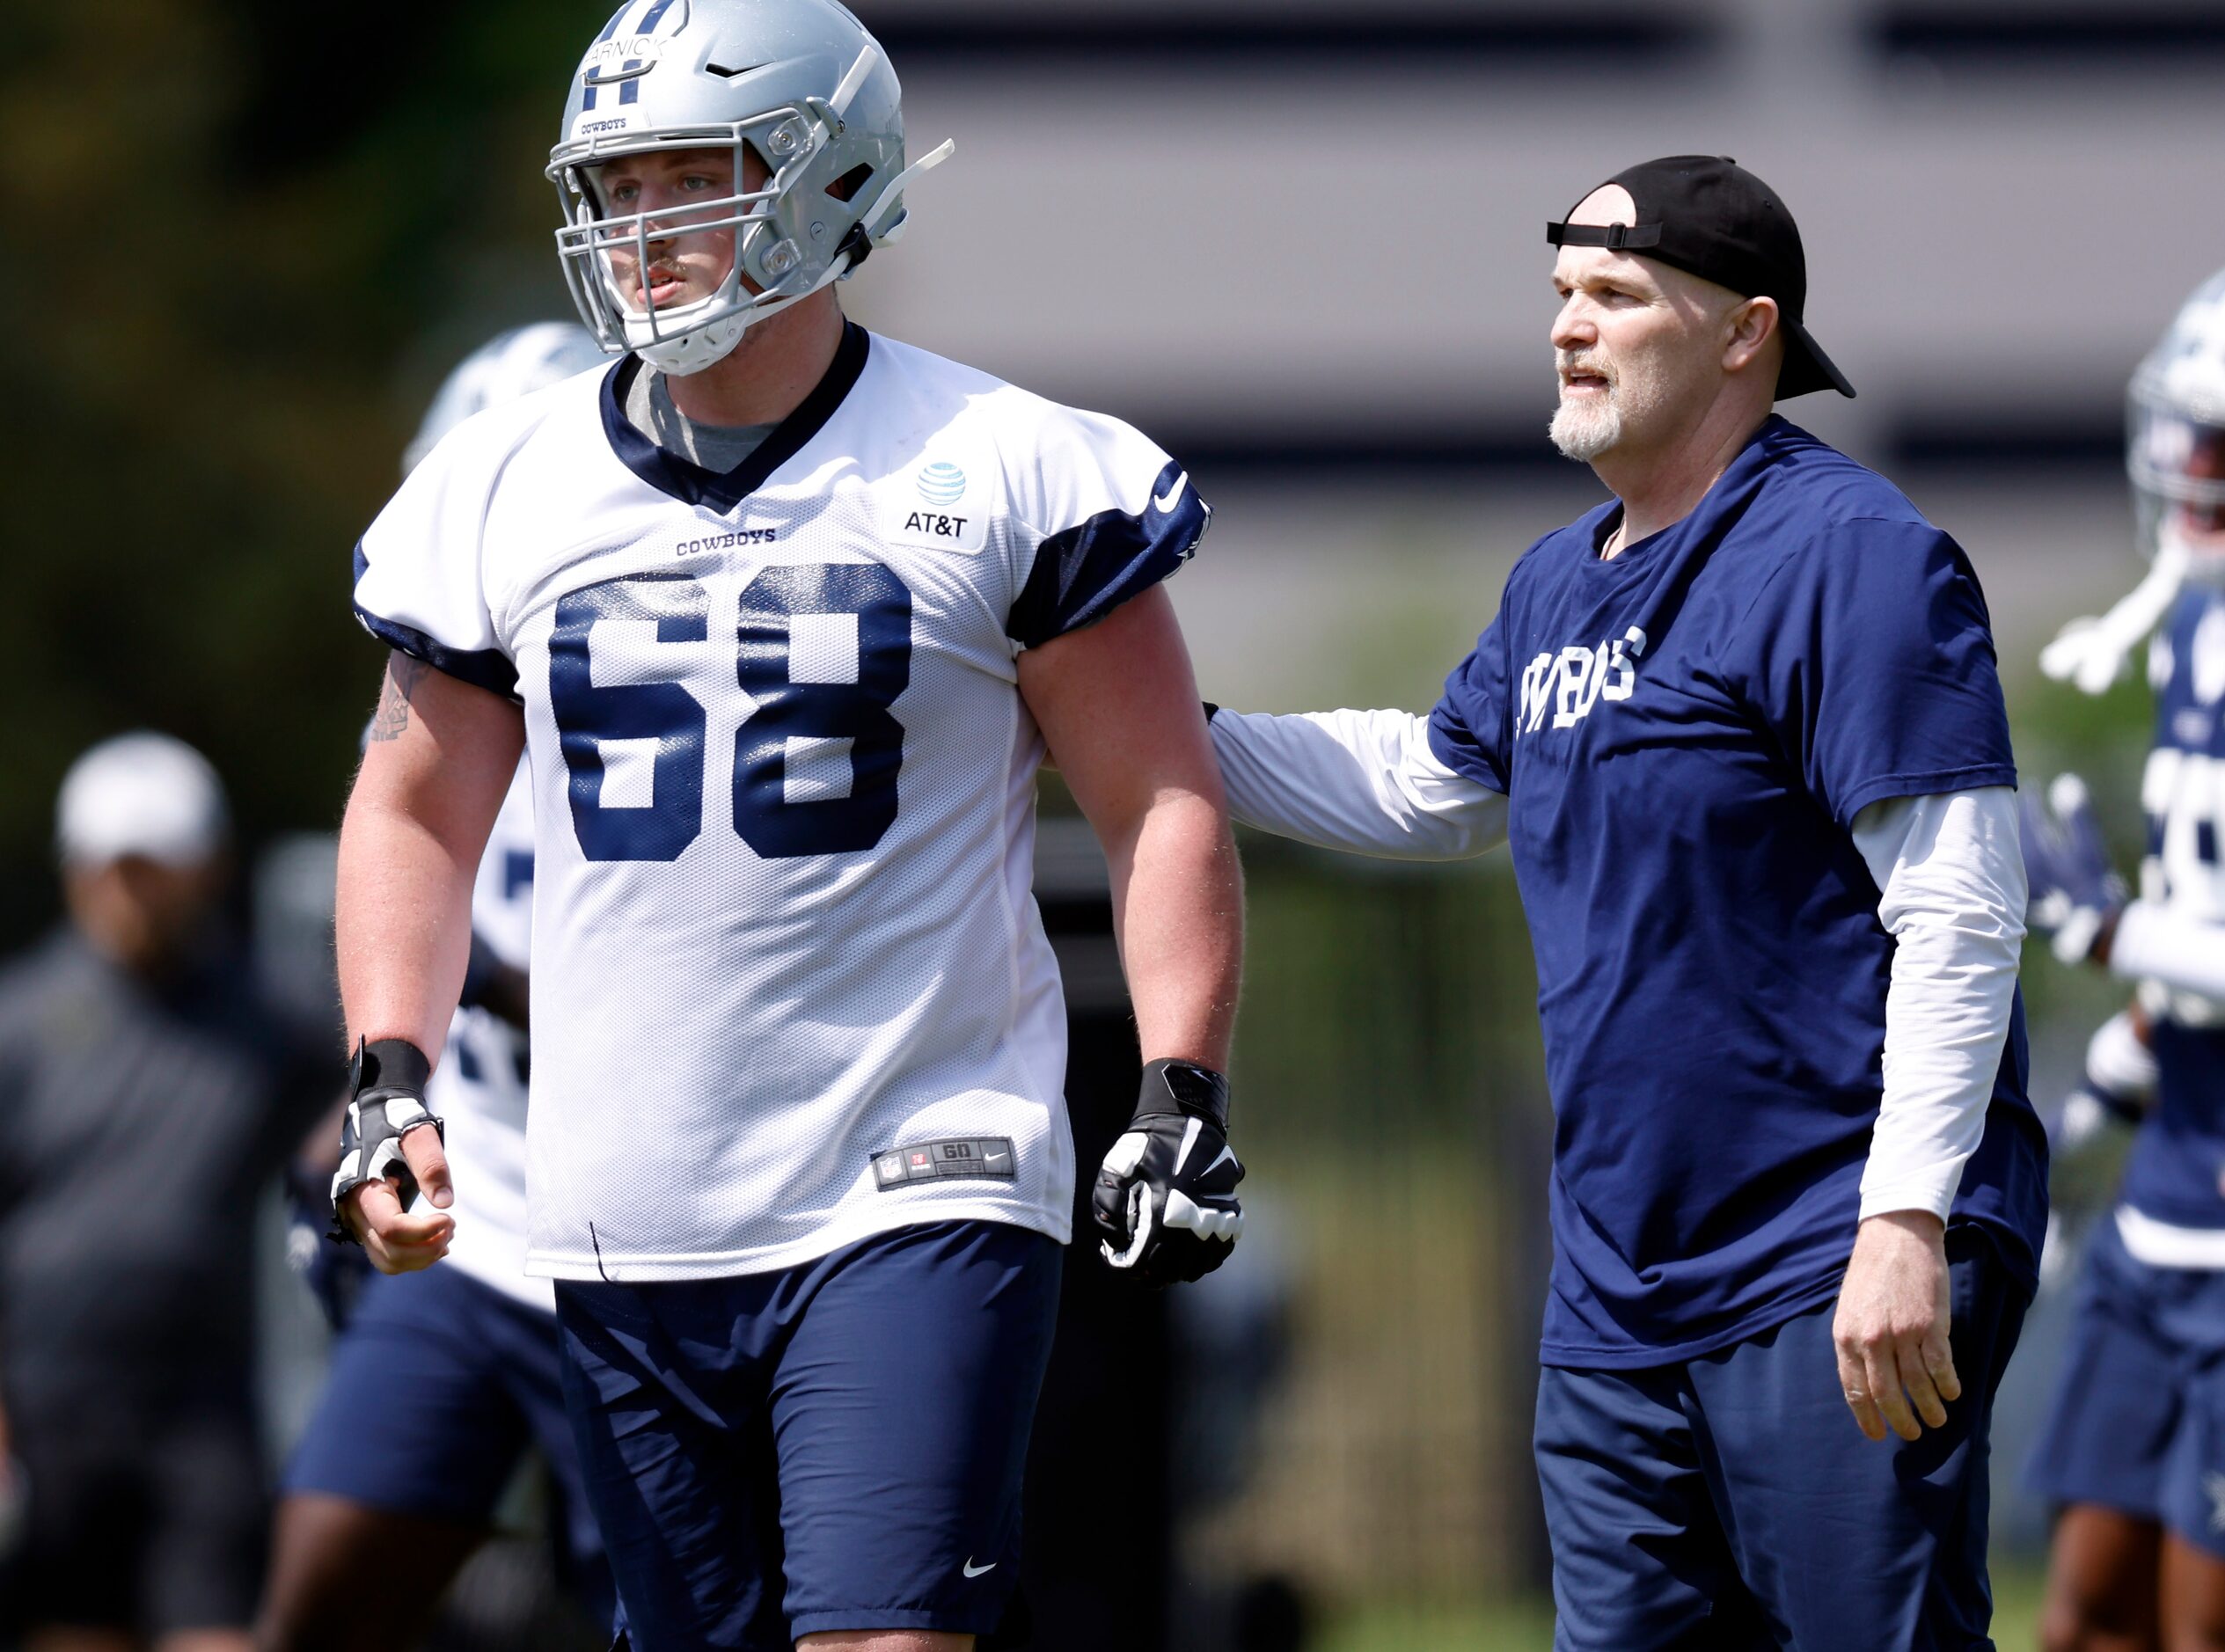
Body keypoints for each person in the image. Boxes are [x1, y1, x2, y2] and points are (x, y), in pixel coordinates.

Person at [330, 3, 1247, 1648]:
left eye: (693, 176)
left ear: (831, 180)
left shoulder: (1008, 461)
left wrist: (1176, 1082)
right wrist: (385, 1073)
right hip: (619, 1197)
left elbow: (1158, 794)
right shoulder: (501, 480)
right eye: (616, 187)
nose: (643, 231)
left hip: (919, 1162)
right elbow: (410, 804)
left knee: (881, 1636)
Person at [1204, 155, 2046, 1649]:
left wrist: (1903, 1219)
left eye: (1611, 294)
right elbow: (1425, 783)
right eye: (1557, 296)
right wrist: (1152, 734)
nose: (1565, 328)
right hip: (1612, 1286)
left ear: (1744, 333)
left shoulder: (1847, 556)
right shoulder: (1553, 584)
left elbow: (1961, 907)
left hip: (1824, 1255)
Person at [258, 324, 615, 1652]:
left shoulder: (677, 681)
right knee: (325, 1588)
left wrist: (499, 996)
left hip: (654, 1239)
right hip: (475, 1222)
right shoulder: (433, 691)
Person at [0, 735, 324, 1652]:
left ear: (210, 868)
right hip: (46, 1408)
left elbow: (363, 1080)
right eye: (112, 870)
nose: (130, 894)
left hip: (202, 1404)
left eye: (154, 870)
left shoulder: (270, 1018)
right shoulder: (19, 1022)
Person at [2021, 266, 2225, 1652]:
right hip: (2166, 1206)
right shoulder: (2193, 629)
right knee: (2089, 1616)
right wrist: (2085, 1113)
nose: (2185, 463)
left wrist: (2105, 929)